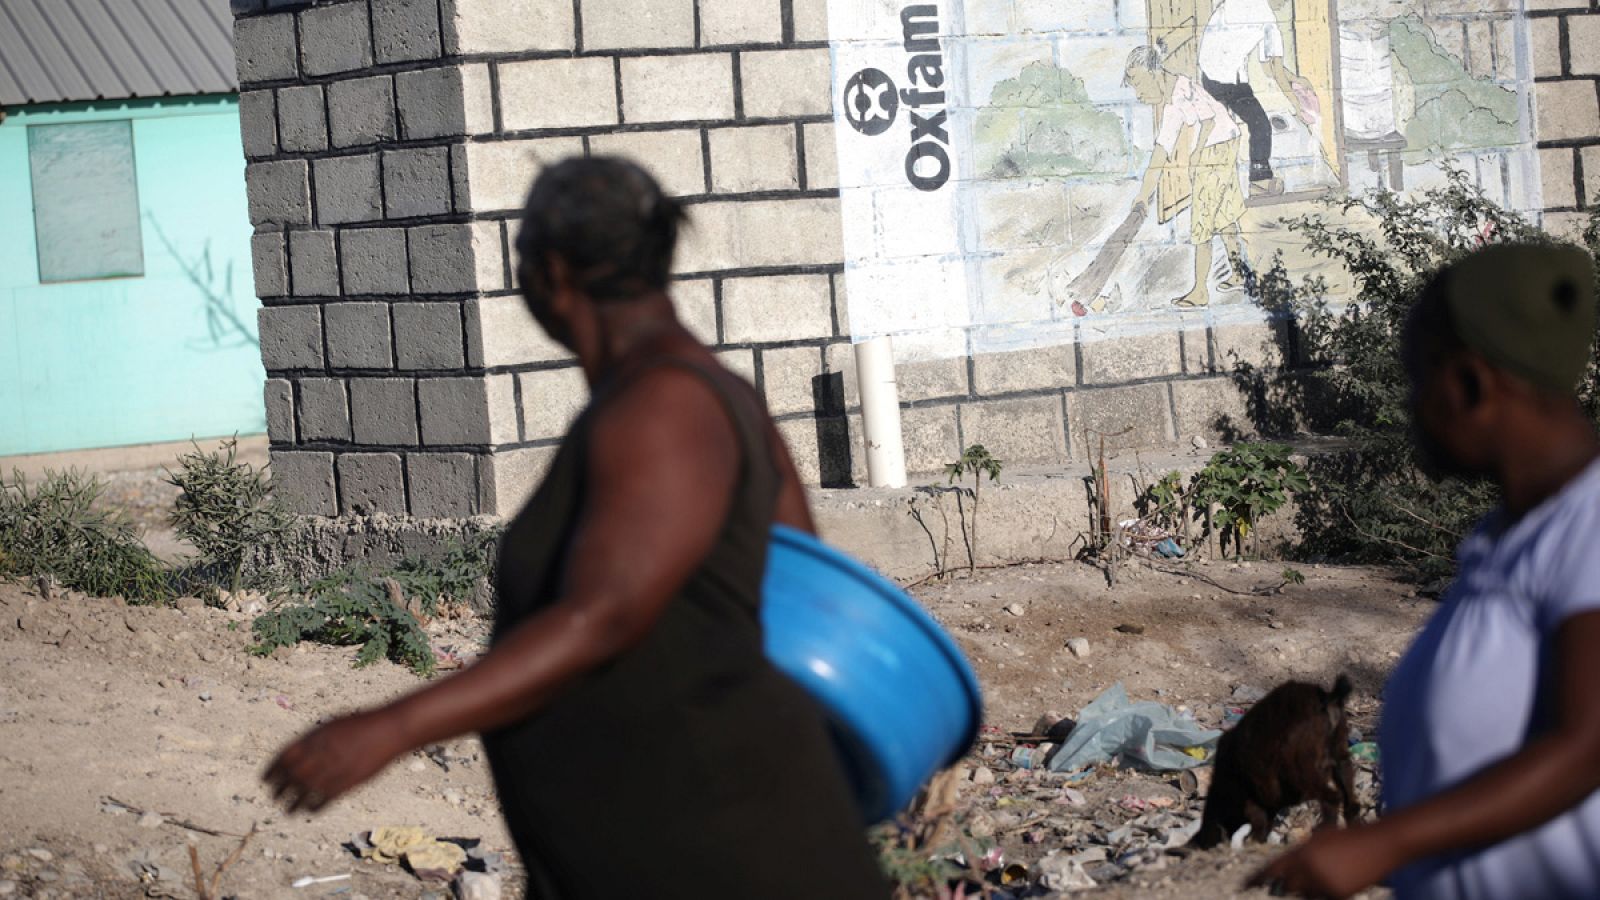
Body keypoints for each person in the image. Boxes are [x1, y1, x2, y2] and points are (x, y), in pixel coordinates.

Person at [263, 157, 889, 900]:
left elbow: (605, 614)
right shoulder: (699, 396)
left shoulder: (664, 407)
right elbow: (801, 585)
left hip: (718, 848)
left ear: (551, 272)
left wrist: (391, 727)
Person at [1250, 243, 1600, 898]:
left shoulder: (1590, 525)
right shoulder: (1509, 540)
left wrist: (1386, 843)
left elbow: (1588, 746)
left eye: (1419, 382)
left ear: (1469, 384)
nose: (1412, 410)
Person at [1123, 43, 1248, 310]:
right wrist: (1143, 197)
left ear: (1155, 73)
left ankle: (1200, 291)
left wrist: (1196, 155)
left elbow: (1209, 120)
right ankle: (1239, 274)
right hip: (1228, 141)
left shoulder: (1181, 90)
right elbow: (1160, 152)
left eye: (1140, 84)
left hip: (1215, 149)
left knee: (1202, 222)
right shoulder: (1173, 104)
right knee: (1224, 215)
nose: (1139, 94)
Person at [1197, 0, 1316, 198]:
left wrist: (1294, 79)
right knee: (1259, 125)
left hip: (1211, 75)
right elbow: (1274, 71)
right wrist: (1297, 105)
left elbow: (1268, 68)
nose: (1285, 4)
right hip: (1227, 81)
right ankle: (1258, 180)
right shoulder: (1268, 18)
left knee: (1222, 132)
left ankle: (1227, 185)